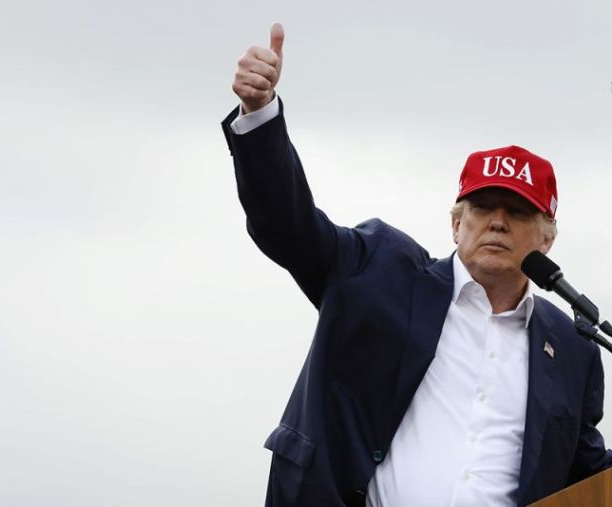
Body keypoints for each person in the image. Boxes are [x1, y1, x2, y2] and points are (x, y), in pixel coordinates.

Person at [221, 23, 612, 507]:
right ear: (455, 224)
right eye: (482, 207)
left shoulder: (573, 349)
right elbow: (289, 226)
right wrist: (259, 117)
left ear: (548, 237)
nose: (497, 223)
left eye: (517, 212)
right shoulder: (380, 271)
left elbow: (584, 474)